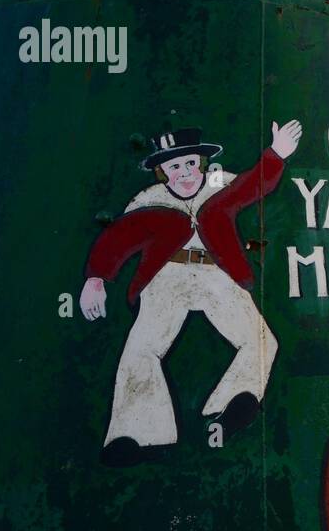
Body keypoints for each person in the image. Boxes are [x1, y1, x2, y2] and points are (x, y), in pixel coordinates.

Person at [82, 120, 302, 467]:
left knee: (260, 340)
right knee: (141, 349)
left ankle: (233, 402)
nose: (184, 172)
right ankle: (136, 434)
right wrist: (96, 279)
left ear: (200, 163)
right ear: (161, 171)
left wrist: (277, 154)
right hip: (167, 277)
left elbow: (251, 187)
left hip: (216, 274)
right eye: (174, 166)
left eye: (190, 163)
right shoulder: (148, 200)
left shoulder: (217, 184)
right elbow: (118, 239)